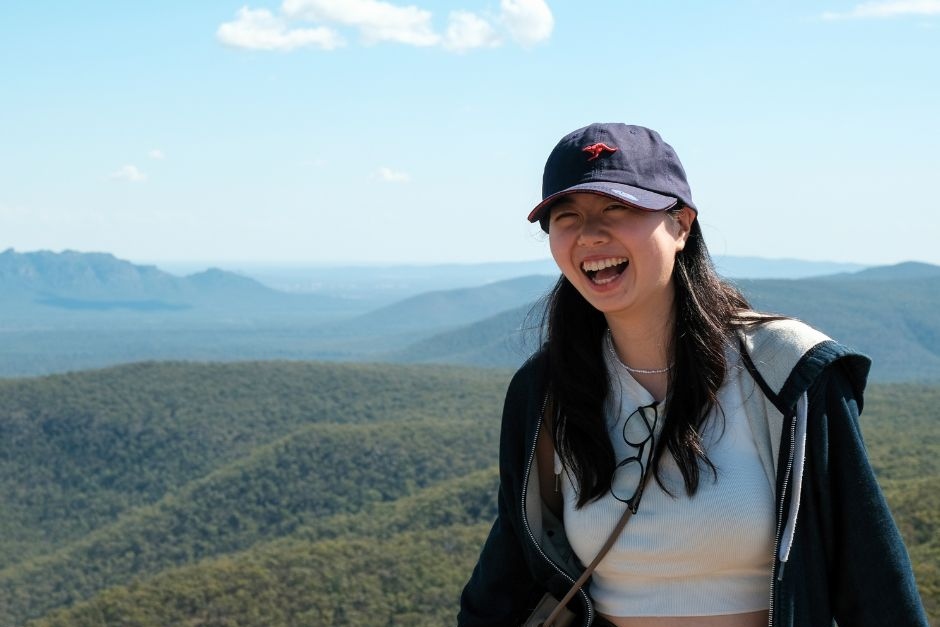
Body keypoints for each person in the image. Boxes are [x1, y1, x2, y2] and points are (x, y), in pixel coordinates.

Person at [457, 123, 928, 627]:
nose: (590, 234)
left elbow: (874, 578)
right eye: (566, 216)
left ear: (681, 224)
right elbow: (506, 577)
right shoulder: (546, 389)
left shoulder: (786, 371)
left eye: (618, 209)